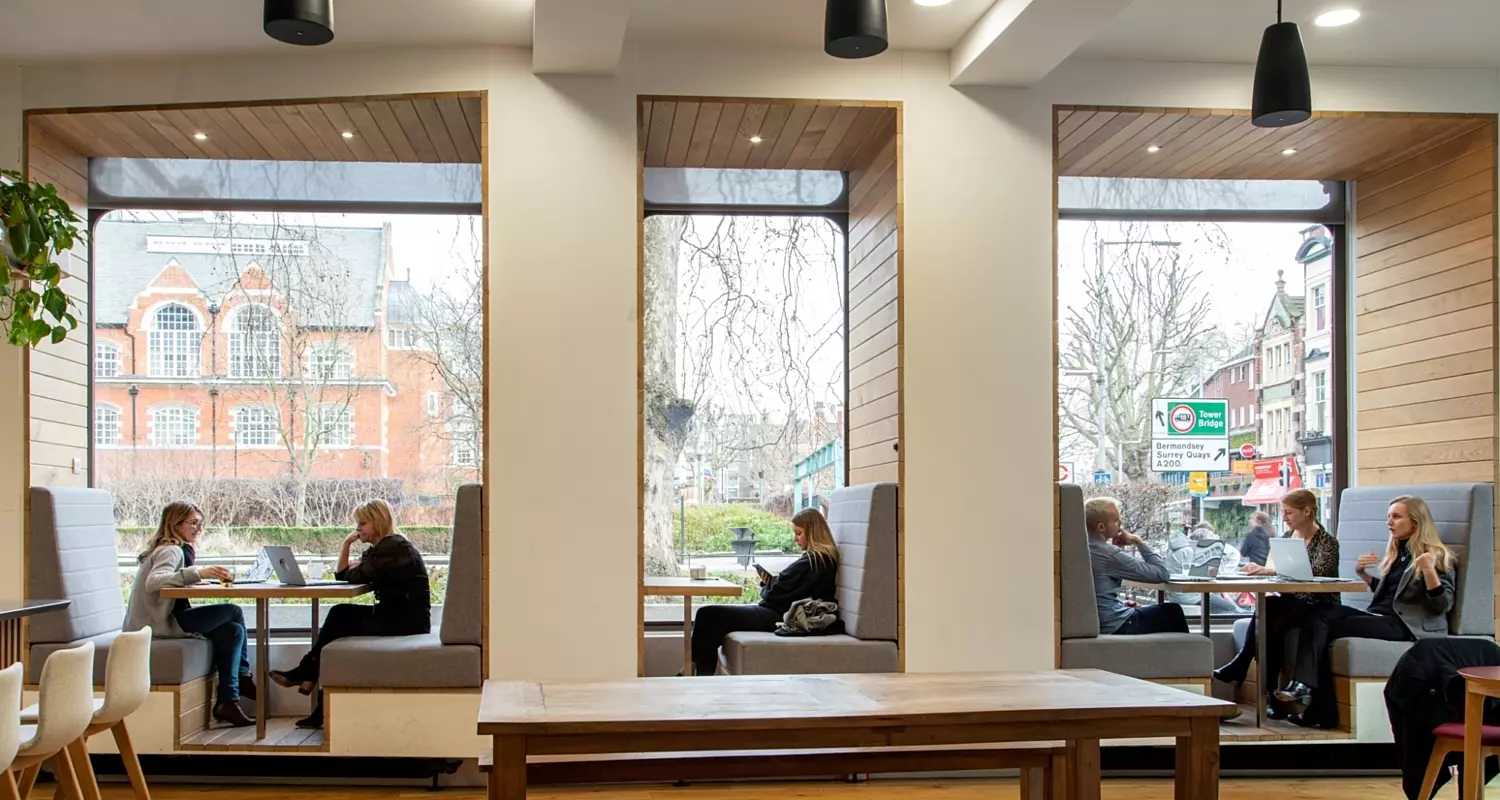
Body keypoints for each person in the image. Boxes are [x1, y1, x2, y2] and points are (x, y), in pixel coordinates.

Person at [1282, 495, 1457, 729]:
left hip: (1404, 626)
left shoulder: (1436, 555)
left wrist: (1428, 571)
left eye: (1396, 516)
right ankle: (1313, 701)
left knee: (1321, 626)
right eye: (1388, 516)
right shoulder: (1399, 553)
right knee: (1317, 615)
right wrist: (1364, 575)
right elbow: (1393, 595)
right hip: (1379, 615)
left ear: (1415, 522)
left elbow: (1443, 604)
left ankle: (1313, 700)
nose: (1389, 522)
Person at [270, 499, 430, 728]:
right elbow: (345, 575)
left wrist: (346, 545)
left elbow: (347, 576)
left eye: (362, 523)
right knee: (340, 616)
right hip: (399, 615)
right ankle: (312, 688)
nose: (358, 529)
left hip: (406, 621)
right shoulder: (386, 548)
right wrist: (347, 545)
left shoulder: (392, 547)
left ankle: (307, 675)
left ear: (378, 522)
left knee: (340, 615)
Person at [124, 502, 256, 728]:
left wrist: (197, 578)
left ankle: (228, 701)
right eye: (193, 523)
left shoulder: (174, 549)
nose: (198, 528)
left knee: (233, 631)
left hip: (166, 617)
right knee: (233, 611)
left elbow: (172, 582)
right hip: (156, 624)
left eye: (200, 523)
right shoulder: (171, 550)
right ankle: (243, 675)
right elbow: (154, 582)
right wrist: (196, 573)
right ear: (174, 524)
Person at [1212, 489, 1338, 719]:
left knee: (1270, 617)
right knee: (1269, 612)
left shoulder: (1327, 543)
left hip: (1318, 606)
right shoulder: (1289, 537)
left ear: (1307, 511)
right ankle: (1267, 692)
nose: (1285, 517)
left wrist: (1271, 570)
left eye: (1289, 512)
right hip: (1292, 603)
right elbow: (1281, 572)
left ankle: (1249, 674)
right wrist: (1262, 571)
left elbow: (1317, 573)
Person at [689, 507, 838, 676]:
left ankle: (698, 674)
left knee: (709, 615)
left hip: (778, 615)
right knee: (708, 616)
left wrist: (768, 586)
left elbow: (777, 592)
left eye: (799, 533)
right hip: (778, 611)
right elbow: (788, 587)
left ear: (812, 533)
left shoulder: (814, 561)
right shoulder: (821, 559)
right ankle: (693, 669)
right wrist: (772, 584)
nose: (795, 539)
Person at [1084, 497, 1187, 635]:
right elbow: (1162, 573)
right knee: (1173, 612)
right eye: (1116, 520)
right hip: (1115, 625)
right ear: (1101, 527)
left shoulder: (1082, 549)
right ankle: (1186, 656)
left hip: (1100, 621)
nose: (1120, 523)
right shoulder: (1109, 554)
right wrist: (1138, 541)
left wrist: (1120, 604)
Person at [1165, 522, 1240, 615]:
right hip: (1189, 596)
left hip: (1177, 594)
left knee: (1218, 599)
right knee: (1230, 607)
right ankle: (1211, 627)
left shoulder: (1180, 549)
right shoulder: (1190, 552)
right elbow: (1201, 577)